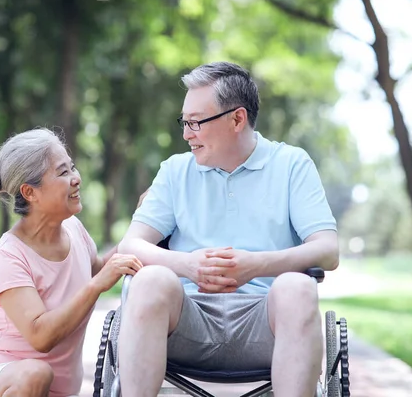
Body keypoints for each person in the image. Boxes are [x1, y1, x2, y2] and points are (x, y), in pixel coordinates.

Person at [117, 62, 339, 397]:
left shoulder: (292, 164)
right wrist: (189, 265)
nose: (186, 133)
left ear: (237, 119)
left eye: (195, 122)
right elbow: (130, 245)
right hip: (188, 321)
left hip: (266, 323)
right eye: (184, 122)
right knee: (150, 279)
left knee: (297, 286)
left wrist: (257, 265)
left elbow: (328, 250)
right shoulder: (176, 171)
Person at [0, 128, 143, 397]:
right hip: (4, 382)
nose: (76, 179)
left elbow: (100, 270)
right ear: (30, 192)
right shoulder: (9, 255)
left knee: (39, 375)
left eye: (73, 168)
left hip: (57, 391)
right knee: (36, 373)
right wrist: (95, 287)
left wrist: (144, 221)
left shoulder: (75, 230)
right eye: (63, 172)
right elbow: (40, 336)